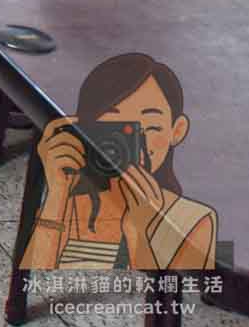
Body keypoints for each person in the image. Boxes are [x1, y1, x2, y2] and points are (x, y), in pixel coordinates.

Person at [19, 53, 216, 271]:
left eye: (150, 127)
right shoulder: (70, 201)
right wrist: (57, 192)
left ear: (177, 131)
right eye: (117, 129)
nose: (135, 144)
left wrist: (141, 226)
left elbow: (158, 295)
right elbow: (40, 267)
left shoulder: (192, 218)